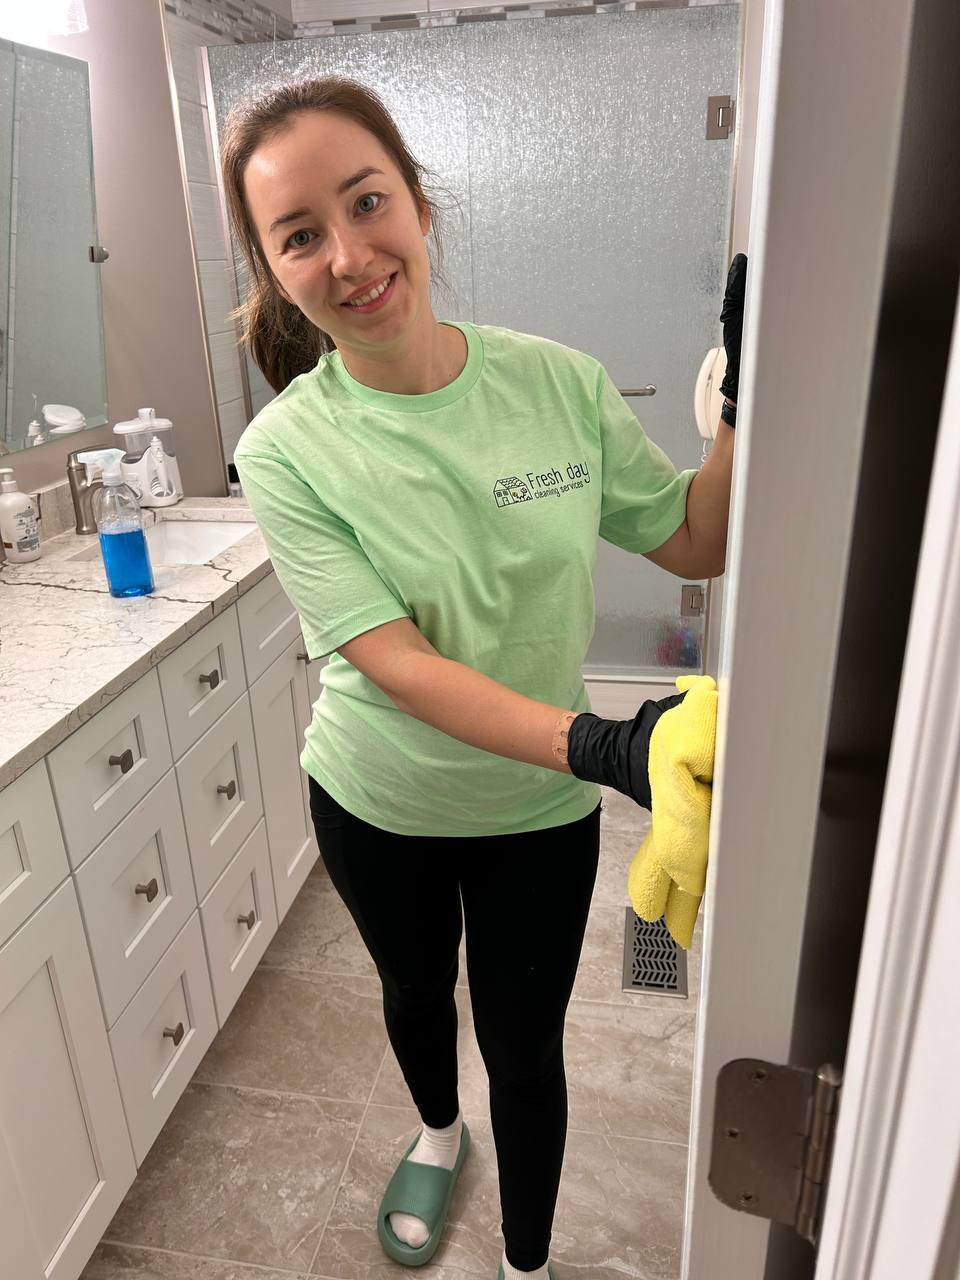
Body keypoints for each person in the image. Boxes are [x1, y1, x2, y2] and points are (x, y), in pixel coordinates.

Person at [223, 76, 743, 1280]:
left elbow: (695, 541)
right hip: (377, 799)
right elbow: (395, 663)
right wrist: (612, 744)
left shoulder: (556, 382)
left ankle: (525, 1263)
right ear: (270, 265)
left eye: (368, 203)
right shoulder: (287, 451)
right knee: (415, 990)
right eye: (301, 234)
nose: (349, 256)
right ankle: (436, 1130)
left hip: (534, 817)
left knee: (527, 1042)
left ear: (420, 201)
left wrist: (747, 407)